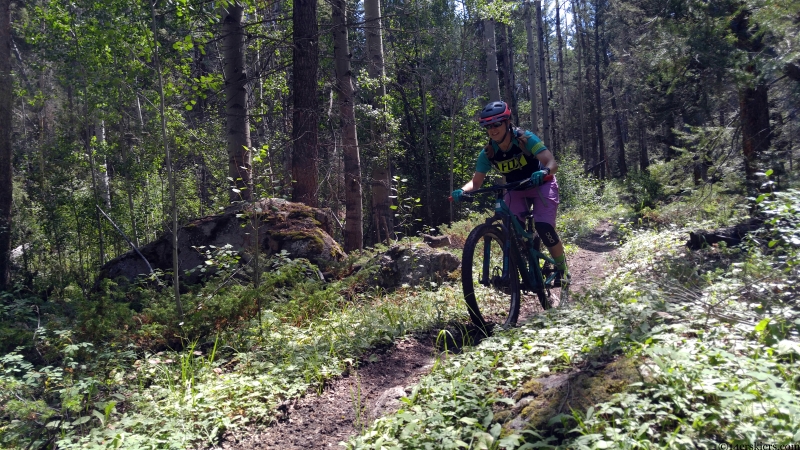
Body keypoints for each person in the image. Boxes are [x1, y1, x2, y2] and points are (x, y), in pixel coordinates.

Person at [451, 101, 569, 286]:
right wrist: (461, 191)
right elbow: (475, 183)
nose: (492, 129)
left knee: (544, 227)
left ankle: (562, 269)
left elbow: (551, 163)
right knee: (512, 232)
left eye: (497, 124)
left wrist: (544, 172)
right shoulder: (489, 153)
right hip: (515, 188)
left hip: (541, 184)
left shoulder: (525, 139)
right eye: (488, 126)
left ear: (507, 122)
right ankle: (523, 265)